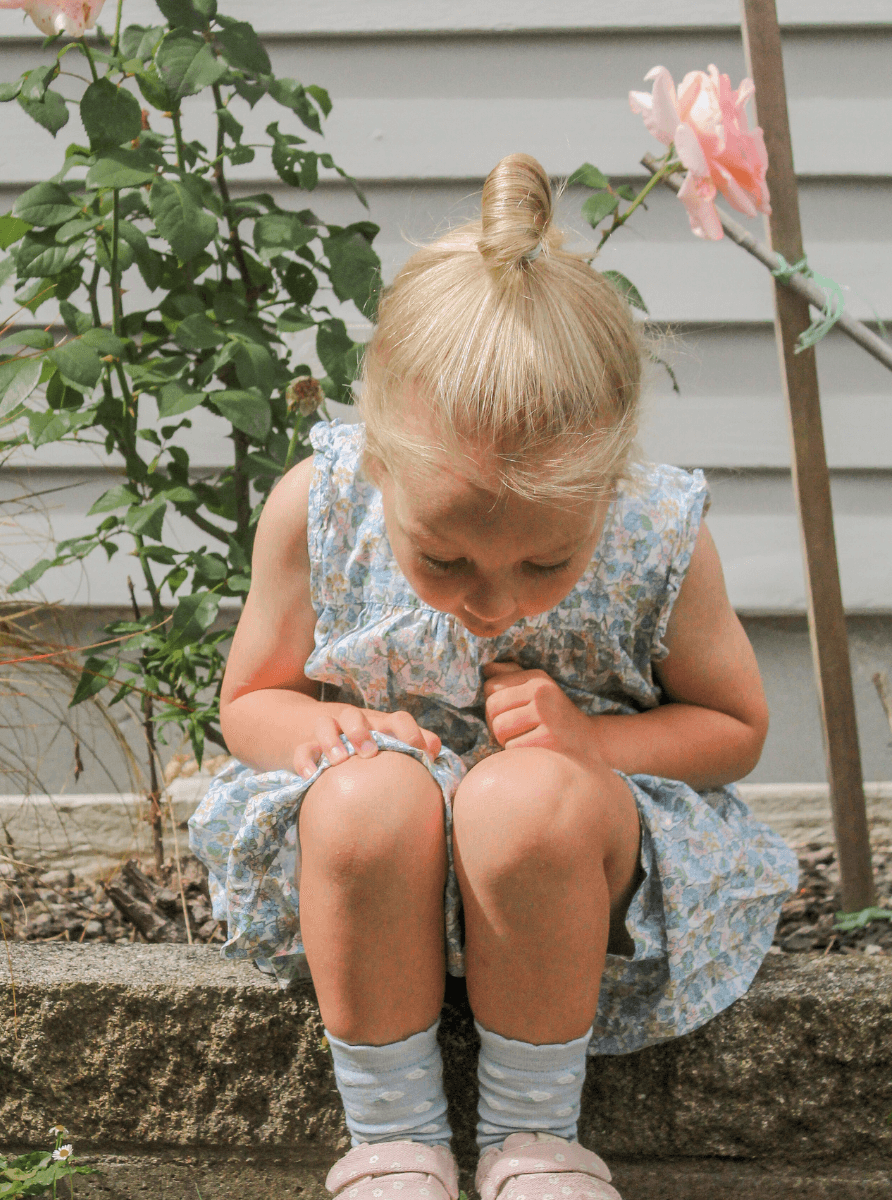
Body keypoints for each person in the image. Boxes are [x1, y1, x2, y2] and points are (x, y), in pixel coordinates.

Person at [187, 153, 797, 1200]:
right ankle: (393, 1146)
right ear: (378, 460)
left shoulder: (658, 534)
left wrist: (593, 745)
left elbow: (734, 724)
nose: (494, 599)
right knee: (370, 794)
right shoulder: (319, 506)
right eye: (445, 560)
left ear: (609, 489)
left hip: (571, 859)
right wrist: (315, 738)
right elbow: (250, 697)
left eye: (547, 565)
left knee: (525, 799)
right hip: (373, 870)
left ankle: (534, 1141)